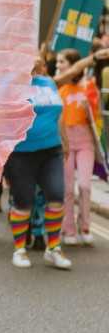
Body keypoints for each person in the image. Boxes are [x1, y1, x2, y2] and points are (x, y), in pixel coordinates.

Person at [3, 55, 70, 269]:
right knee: (23, 203)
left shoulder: (48, 82)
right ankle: (20, 250)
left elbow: (57, 115)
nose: (35, 58)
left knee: (57, 196)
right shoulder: (10, 85)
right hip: (21, 153)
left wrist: (65, 141)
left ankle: (54, 248)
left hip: (51, 150)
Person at [56, 47, 101, 246]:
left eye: (61, 62)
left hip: (85, 141)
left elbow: (97, 118)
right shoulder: (57, 87)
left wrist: (91, 106)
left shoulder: (89, 86)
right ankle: (68, 229)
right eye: (57, 62)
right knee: (66, 189)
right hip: (65, 141)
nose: (57, 66)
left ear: (73, 66)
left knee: (84, 185)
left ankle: (85, 226)